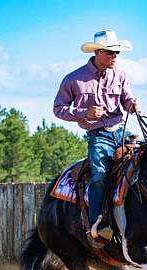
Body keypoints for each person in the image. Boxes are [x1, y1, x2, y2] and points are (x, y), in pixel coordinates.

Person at [53, 30, 141, 248]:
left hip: (122, 132)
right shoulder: (74, 79)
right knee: (99, 175)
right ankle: (97, 226)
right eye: (111, 53)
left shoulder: (120, 74)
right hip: (98, 136)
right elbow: (58, 109)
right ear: (98, 52)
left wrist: (131, 104)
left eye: (117, 53)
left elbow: (126, 98)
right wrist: (84, 114)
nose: (115, 57)